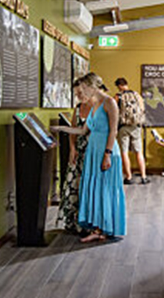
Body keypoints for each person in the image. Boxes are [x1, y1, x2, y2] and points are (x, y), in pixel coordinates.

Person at [53, 72, 126, 242]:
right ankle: (97, 229)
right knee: (95, 190)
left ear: (91, 87)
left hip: (105, 151)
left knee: (105, 190)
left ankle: (105, 229)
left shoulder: (109, 102)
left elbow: (113, 131)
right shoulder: (94, 105)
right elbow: (82, 130)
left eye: (82, 90)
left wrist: (107, 155)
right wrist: (61, 129)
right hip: (93, 152)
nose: (80, 94)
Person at [57, 80, 91, 234]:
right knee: (74, 187)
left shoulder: (97, 108)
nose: (79, 96)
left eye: (80, 93)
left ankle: (89, 223)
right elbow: (73, 130)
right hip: (79, 152)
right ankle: (74, 221)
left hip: (92, 152)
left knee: (88, 188)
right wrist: (72, 149)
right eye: (77, 94)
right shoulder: (77, 109)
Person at [114, 78, 150, 185]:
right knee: (139, 152)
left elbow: (114, 111)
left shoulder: (118, 96)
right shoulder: (137, 95)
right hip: (136, 126)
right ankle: (143, 177)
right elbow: (142, 110)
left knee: (124, 152)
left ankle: (128, 177)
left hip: (123, 126)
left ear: (119, 86)